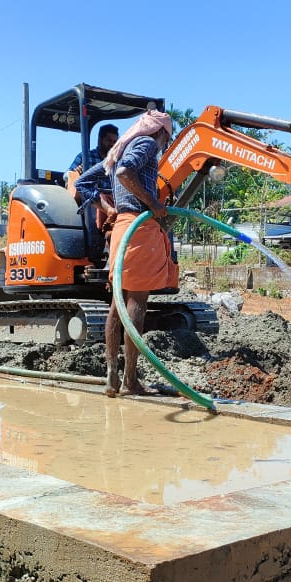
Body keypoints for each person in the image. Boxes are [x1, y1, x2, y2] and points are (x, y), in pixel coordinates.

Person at [102, 110, 174, 397]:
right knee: (136, 302)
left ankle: (111, 376)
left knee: (116, 304)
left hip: (122, 226)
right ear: (160, 132)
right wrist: (153, 204)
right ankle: (130, 379)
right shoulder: (146, 144)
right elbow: (125, 173)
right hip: (139, 226)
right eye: (166, 138)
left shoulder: (123, 147)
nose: (165, 145)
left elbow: (116, 173)